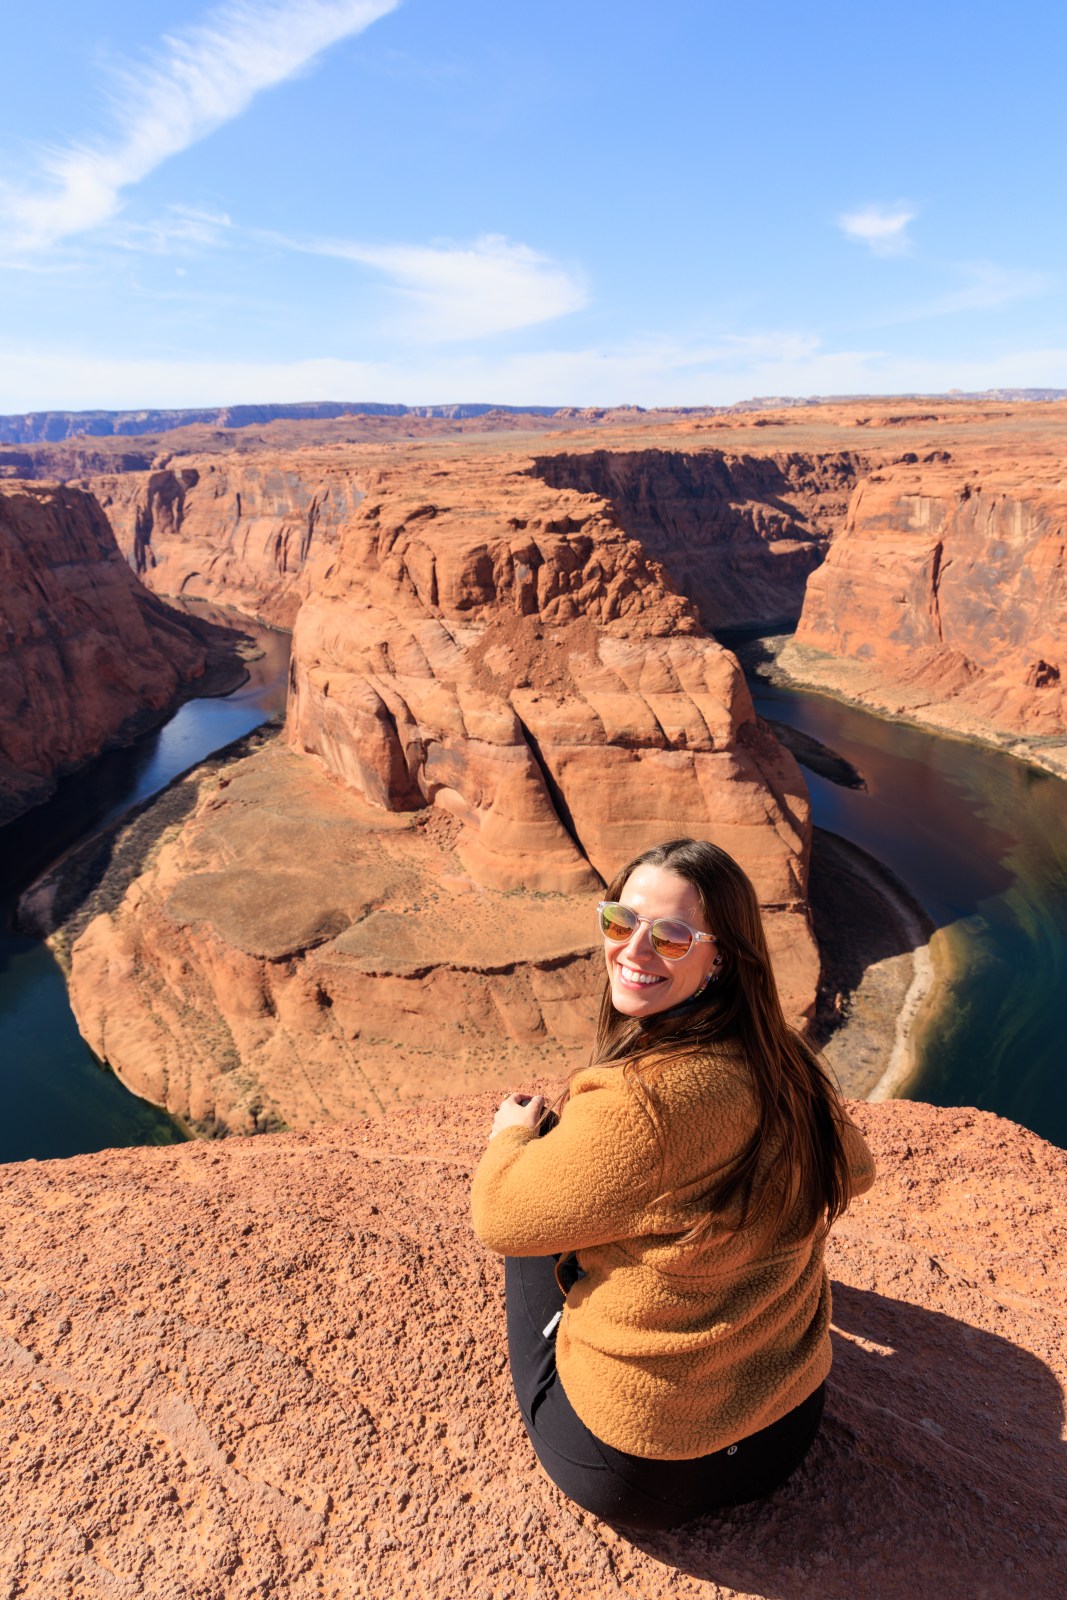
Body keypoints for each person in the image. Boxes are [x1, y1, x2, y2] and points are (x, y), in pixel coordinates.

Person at [470, 836, 876, 1533]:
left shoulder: (642, 1104)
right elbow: (855, 1169)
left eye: (671, 935)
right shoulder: (787, 1067)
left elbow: (501, 1218)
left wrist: (511, 1139)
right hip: (782, 1431)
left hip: (636, 1467)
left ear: (719, 954)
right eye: (619, 922)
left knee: (538, 1199)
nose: (632, 950)